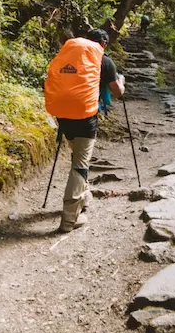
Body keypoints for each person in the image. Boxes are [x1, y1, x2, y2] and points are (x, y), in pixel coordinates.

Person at [44, 28, 125, 232]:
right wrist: (121, 81)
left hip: (62, 114)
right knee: (80, 163)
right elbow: (117, 92)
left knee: (77, 155)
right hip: (85, 116)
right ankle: (69, 219)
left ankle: (84, 197)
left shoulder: (70, 55)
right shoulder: (104, 61)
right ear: (104, 44)